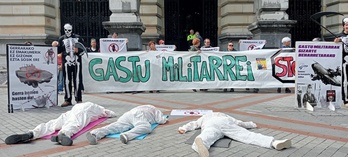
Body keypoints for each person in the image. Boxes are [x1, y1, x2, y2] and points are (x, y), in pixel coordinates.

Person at [178, 112, 291, 157]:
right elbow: (240, 123)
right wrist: (252, 124)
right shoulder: (225, 115)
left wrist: (183, 128)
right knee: (247, 135)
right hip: (225, 123)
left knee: (206, 135)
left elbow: (194, 123)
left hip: (210, 124)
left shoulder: (205, 117)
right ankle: (274, 142)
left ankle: (201, 144)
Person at [5, 102, 117, 146]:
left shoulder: (90, 105)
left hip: (73, 110)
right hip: (84, 112)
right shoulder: (100, 110)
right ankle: (64, 134)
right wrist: (110, 114)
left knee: (53, 123)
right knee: (76, 124)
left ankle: (32, 133)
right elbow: (111, 113)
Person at [86, 105, 168, 145]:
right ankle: (127, 135)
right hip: (139, 115)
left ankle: (95, 134)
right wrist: (165, 119)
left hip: (128, 114)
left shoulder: (145, 106)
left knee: (115, 126)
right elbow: (161, 120)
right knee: (146, 127)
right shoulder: (156, 110)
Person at [58, 23, 86, 107]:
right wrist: (55, 46)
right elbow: (59, 50)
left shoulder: (78, 38)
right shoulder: (61, 39)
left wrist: (78, 50)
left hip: (76, 61)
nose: (67, 32)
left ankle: (79, 99)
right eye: (66, 30)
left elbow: (84, 50)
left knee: (77, 80)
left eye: (69, 30)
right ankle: (67, 99)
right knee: (67, 80)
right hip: (66, 61)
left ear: (72, 29)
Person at [334, 17, 348, 106]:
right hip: (345, 62)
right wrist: (336, 41)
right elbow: (334, 47)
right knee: (346, 81)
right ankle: (346, 99)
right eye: (346, 25)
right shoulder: (339, 36)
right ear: (343, 26)